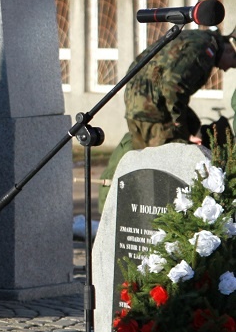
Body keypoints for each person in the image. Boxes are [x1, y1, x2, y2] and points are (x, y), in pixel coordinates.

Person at [98, 29, 236, 211]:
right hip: (153, 113)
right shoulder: (204, 50)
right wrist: (182, 129)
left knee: (148, 168)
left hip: (139, 104)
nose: (226, 69)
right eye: (233, 62)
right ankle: (157, 225)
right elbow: (173, 85)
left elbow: (139, 62)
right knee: (163, 173)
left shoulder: (193, 37)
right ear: (229, 49)